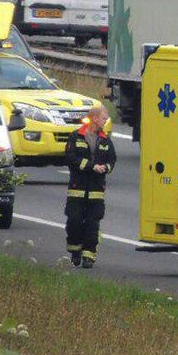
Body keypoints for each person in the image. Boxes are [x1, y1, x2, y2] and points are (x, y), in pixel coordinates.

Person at [64, 106, 115, 268]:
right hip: (77, 189)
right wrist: (91, 166)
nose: (105, 121)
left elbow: (112, 160)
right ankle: (75, 251)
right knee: (74, 221)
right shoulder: (76, 137)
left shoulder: (106, 140)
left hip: (96, 192)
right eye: (103, 118)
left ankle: (89, 256)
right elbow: (71, 158)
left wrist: (105, 168)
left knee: (93, 225)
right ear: (94, 118)